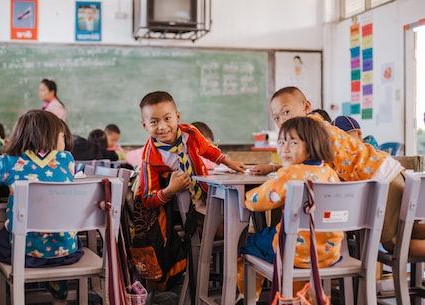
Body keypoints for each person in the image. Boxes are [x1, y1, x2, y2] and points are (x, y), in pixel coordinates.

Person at [251, 86, 425, 258]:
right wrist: (274, 167)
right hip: (388, 171)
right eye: (276, 118)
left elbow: (305, 169)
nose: (282, 121)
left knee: (394, 244)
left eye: (286, 112)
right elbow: (311, 165)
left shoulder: (311, 132)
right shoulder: (319, 125)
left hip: (381, 181)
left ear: (306, 107)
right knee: (409, 229)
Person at [0, 110, 78, 304]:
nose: (65, 140)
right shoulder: (67, 160)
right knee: (58, 233)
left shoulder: (12, 163)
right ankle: (55, 277)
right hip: (66, 251)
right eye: (63, 135)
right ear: (51, 136)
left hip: (26, 253)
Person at [237, 116, 342, 302]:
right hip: (329, 253)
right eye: (282, 141)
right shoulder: (330, 173)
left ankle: (248, 297)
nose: (285, 148)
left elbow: (260, 201)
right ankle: (300, 297)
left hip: (296, 255)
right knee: (288, 238)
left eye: (293, 142)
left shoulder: (290, 173)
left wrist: (245, 198)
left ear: (311, 145)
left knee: (249, 245)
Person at [138, 91, 246, 213]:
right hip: (177, 211)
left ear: (177, 117)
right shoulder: (150, 158)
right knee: (220, 227)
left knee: (233, 212)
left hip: (205, 194)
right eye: (154, 122)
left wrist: (229, 162)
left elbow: (208, 150)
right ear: (144, 125)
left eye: (167, 118)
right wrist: (170, 190)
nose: (162, 126)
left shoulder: (190, 134)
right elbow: (147, 199)